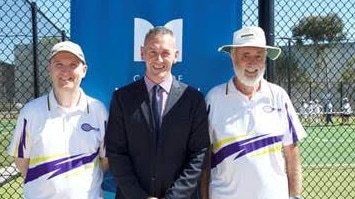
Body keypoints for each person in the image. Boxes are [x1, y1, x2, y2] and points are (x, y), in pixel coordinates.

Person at [105, 26, 210, 199]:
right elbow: (116, 152)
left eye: (165, 53)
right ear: (142, 54)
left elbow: (199, 154)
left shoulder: (193, 99)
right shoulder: (122, 98)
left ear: (176, 56)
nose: (158, 59)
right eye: (152, 52)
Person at [203, 26, 307, 199]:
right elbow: (204, 159)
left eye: (258, 56)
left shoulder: (279, 96)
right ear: (233, 57)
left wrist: (295, 196)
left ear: (265, 59)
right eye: (245, 55)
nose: (252, 63)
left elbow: (292, 153)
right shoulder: (214, 98)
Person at [8, 41, 108, 198]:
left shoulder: (98, 111)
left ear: (84, 70)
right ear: (50, 69)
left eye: (73, 65)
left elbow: (105, 161)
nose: (65, 71)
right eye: (59, 64)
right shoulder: (30, 112)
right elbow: (22, 163)